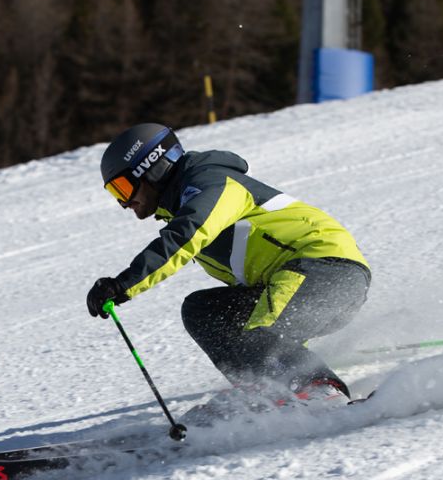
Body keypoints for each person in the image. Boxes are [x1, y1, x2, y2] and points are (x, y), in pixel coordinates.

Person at [86, 123, 371, 419]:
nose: (124, 203)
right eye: (114, 192)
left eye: (123, 188)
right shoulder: (188, 198)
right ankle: (266, 390)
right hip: (298, 281)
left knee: (259, 332)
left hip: (326, 271)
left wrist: (122, 285)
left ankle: (319, 392)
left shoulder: (214, 185)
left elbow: (185, 236)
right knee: (203, 311)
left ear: (153, 168)